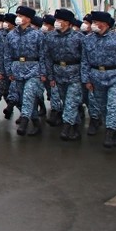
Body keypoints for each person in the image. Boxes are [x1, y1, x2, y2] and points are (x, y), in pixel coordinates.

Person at [82, 11, 116, 148]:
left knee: (112, 105)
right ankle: (114, 132)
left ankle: (109, 134)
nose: (93, 25)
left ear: (105, 24)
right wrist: (86, 79)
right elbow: (85, 61)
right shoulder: (87, 39)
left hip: (115, 76)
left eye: (96, 22)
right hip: (96, 77)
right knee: (102, 107)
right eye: (92, 22)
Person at [1, 5, 46, 136]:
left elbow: (43, 55)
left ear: (28, 19)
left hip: (33, 69)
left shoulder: (37, 35)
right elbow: (7, 55)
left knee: (28, 94)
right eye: (18, 16)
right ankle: (36, 124)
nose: (18, 18)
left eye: (21, 16)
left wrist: (43, 72)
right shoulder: (11, 35)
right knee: (24, 98)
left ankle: (24, 121)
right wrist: (9, 71)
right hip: (17, 69)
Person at [43, 9, 85, 140]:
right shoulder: (50, 37)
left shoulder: (78, 37)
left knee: (71, 101)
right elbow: (47, 57)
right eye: (56, 20)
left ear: (67, 22)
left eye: (60, 20)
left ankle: (66, 127)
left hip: (74, 73)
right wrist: (50, 76)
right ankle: (76, 127)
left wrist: (84, 77)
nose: (57, 23)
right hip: (58, 73)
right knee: (67, 101)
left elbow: (85, 58)